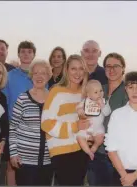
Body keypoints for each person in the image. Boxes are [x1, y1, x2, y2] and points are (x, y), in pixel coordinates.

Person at [41, 54, 89, 185]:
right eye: (73, 68)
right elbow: (46, 124)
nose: (78, 73)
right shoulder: (56, 91)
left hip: (82, 150)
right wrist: (75, 126)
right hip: (62, 151)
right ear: (66, 70)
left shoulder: (85, 93)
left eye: (81, 69)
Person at [82, 52, 128, 186]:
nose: (111, 70)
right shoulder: (98, 89)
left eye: (116, 66)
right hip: (97, 152)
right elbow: (85, 111)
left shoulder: (129, 92)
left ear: (123, 68)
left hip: (119, 155)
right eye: (108, 66)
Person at [9, 59, 53, 186]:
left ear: (48, 76)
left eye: (43, 73)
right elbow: (13, 128)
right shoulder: (22, 98)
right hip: (25, 161)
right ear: (31, 76)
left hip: (48, 160)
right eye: (35, 73)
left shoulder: (54, 99)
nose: (39, 76)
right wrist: (13, 154)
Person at [1, 40, 36, 185]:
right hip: (14, 127)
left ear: (34, 55)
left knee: (31, 165)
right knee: (12, 165)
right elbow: (3, 101)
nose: (26, 54)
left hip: (34, 128)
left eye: (29, 52)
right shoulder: (9, 76)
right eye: (23, 51)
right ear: (18, 54)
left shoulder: (39, 75)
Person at [76, 80, 111, 160]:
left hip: (98, 128)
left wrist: (102, 105)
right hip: (86, 127)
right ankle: (88, 151)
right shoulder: (85, 101)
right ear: (89, 94)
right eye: (96, 92)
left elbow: (107, 113)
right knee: (79, 137)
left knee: (101, 137)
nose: (99, 94)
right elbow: (78, 108)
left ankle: (94, 148)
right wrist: (80, 111)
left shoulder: (104, 102)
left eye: (101, 91)